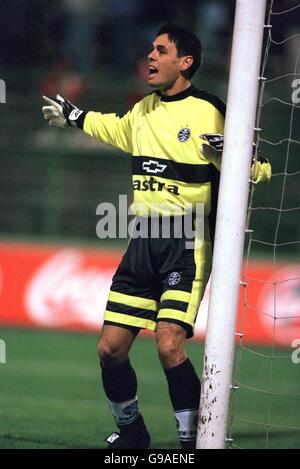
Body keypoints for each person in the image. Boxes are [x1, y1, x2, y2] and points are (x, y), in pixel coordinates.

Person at [42, 24, 271, 449]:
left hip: (187, 243)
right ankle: (133, 433)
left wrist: (233, 156)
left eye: (160, 50)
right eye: (150, 48)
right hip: (142, 243)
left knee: (169, 344)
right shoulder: (143, 109)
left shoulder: (211, 109)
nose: (149, 56)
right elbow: (112, 127)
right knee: (110, 349)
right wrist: (74, 116)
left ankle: (192, 443)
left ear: (184, 63)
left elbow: (262, 168)